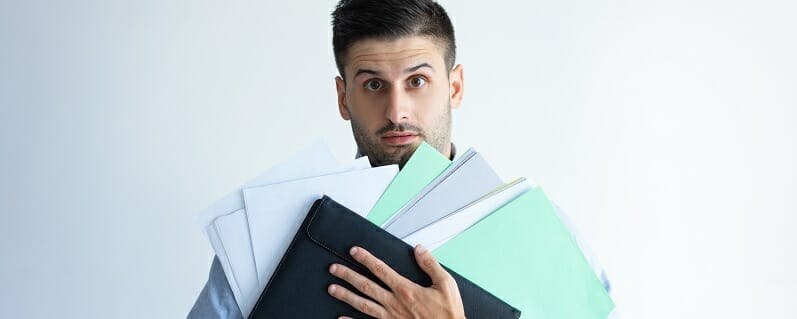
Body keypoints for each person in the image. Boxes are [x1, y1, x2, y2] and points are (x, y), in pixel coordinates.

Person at [189, 1, 612, 318]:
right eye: (373, 84)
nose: (396, 111)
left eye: (417, 81)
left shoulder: (546, 235)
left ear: (455, 87)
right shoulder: (263, 240)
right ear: (343, 98)